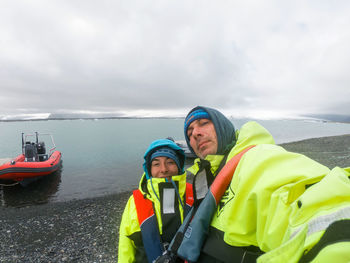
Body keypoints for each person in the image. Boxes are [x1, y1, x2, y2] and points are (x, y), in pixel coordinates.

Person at [157, 106, 350, 263]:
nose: (195, 134)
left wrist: (335, 240)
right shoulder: (208, 178)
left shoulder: (257, 158)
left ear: (223, 127)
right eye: (189, 133)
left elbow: (315, 205)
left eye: (203, 123)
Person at [118, 139, 193, 263]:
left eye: (170, 162)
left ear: (179, 166)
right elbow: (125, 246)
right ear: (149, 169)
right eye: (156, 164)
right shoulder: (136, 201)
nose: (164, 169)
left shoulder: (194, 193)